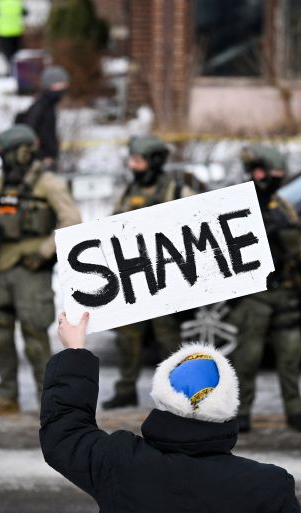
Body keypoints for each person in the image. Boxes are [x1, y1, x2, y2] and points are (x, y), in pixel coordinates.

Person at [40, 311, 301, 513]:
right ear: (229, 405)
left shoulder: (119, 463)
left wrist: (75, 351)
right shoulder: (269, 486)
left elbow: (64, 432)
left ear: (162, 398)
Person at [0, 124, 81, 415]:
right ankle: (7, 396)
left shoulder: (48, 183)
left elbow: (71, 220)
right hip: (1, 267)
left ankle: (50, 403)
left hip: (31, 269)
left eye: (6, 153)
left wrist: (44, 251)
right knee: (0, 334)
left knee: (35, 337)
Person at [228, 144, 301, 433]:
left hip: (286, 292)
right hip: (254, 295)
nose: (277, 177)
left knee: (291, 356)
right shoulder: (236, 203)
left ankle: (295, 411)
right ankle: (241, 412)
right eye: (273, 172)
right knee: (247, 358)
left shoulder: (282, 205)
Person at [101, 135, 193, 409]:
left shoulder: (176, 191)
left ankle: (178, 391)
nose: (133, 166)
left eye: (139, 161)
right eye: (132, 160)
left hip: (164, 276)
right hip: (133, 277)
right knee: (127, 338)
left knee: (167, 338)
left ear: (153, 161)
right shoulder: (127, 192)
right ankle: (126, 389)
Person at [15, 65, 69, 168]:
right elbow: (28, 133)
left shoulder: (49, 106)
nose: (64, 87)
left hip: (45, 161)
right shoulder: (41, 107)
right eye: (60, 84)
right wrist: (42, 156)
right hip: (40, 163)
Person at [0, 0, 25, 74]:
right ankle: (14, 68)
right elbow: (25, 12)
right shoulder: (17, 2)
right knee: (14, 51)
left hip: (3, 31)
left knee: (7, 52)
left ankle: (9, 67)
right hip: (16, 30)